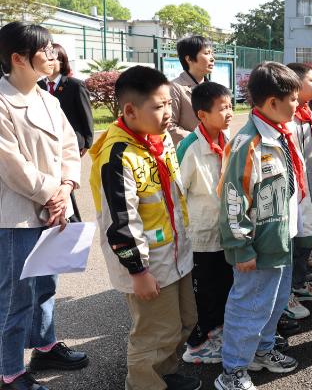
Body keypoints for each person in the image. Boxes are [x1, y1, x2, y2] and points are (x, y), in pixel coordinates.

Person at [89, 65, 198, 390]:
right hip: (147, 264)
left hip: (176, 254)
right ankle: (144, 384)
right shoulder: (117, 156)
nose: (167, 113)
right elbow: (119, 222)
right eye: (158, 106)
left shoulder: (159, 139)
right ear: (130, 111)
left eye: (168, 104)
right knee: (154, 333)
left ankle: (165, 373)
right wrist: (138, 271)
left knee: (183, 322)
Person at [0, 22, 87, 390]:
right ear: (19, 58)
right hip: (16, 214)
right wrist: (54, 194)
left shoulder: (47, 98)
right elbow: (11, 165)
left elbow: (70, 147)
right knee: (16, 294)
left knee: (47, 283)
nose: (54, 55)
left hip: (54, 207)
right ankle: (9, 370)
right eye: (45, 50)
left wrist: (66, 187)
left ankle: (45, 345)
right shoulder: (2, 101)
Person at [214, 62, 300, 390]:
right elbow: (232, 199)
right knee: (248, 307)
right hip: (256, 247)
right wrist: (241, 247)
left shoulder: (277, 134)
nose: (297, 103)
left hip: (279, 239)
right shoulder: (247, 143)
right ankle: (232, 371)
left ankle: (262, 350)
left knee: (272, 303)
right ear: (271, 102)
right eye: (291, 98)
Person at [176, 81, 234, 365]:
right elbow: (177, 192)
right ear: (201, 115)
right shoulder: (190, 147)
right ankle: (197, 345)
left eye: (231, 106)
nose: (230, 113)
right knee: (204, 292)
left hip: (223, 232)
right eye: (223, 108)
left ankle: (216, 334)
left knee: (223, 286)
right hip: (199, 236)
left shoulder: (226, 139)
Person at [286, 63, 312, 316]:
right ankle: (289, 291)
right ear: (297, 85)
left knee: (304, 240)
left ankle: (299, 283)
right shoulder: (288, 119)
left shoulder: (306, 113)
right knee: (292, 241)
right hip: (295, 191)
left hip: (309, 184)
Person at [39, 44, 93, 222]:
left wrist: (87, 141)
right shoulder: (38, 86)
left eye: (56, 58)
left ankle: (71, 218)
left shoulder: (75, 85)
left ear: (63, 62)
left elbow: (86, 114)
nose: (52, 62)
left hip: (70, 141)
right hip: (47, 143)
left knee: (65, 181)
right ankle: (66, 216)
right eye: (49, 57)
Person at [169, 35, 215, 145]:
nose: (212, 58)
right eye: (206, 53)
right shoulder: (175, 87)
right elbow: (169, 126)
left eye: (211, 53)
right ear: (189, 59)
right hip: (189, 156)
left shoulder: (213, 88)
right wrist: (199, 139)